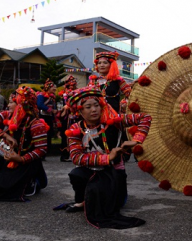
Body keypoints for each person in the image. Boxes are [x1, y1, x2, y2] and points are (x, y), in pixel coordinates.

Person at [56, 86, 151, 229]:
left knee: (112, 203)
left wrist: (137, 140)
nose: (94, 109)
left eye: (96, 105)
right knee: (76, 174)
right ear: (80, 111)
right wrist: (107, 157)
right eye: (88, 107)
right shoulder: (76, 129)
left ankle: (104, 198)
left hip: (113, 172)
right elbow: (76, 157)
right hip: (92, 170)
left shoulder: (114, 121)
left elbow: (145, 117)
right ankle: (83, 200)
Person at [0, 87, 48, 201]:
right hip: (7, 157)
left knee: (2, 188)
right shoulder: (7, 115)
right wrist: (4, 135)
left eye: (11, 102)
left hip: (25, 162)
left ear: (21, 104)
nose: (8, 105)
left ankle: (32, 181)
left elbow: (42, 149)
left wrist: (20, 159)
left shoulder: (35, 124)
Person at [57, 75, 78, 162]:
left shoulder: (75, 93)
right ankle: (65, 154)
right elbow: (62, 107)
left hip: (73, 116)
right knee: (66, 135)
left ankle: (72, 154)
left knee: (73, 135)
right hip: (66, 117)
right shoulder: (64, 94)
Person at [37, 79, 57, 157]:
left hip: (49, 117)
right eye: (53, 87)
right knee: (43, 134)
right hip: (42, 117)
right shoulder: (41, 95)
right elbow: (39, 105)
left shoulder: (52, 97)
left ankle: (47, 150)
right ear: (48, 88)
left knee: (49, 134)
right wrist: (50, 110)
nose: (55, 89)